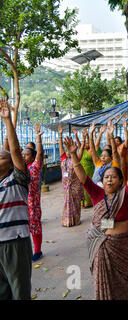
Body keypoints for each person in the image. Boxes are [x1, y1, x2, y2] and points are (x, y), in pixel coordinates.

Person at [64, 136, 128, 300]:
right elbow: (82, 176)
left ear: (120, 181)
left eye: (113, 176)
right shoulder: (96, 193)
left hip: (120, 246)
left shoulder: (125, 195)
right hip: (99, 244)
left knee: (122, 282)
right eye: (106, 177)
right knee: (101, 281)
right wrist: (73, 155)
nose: (109, 179)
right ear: (102, 180)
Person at [0, 98, 32, 300]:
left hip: (15, 242)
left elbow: (13, 150)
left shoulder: (18, 180)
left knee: (19, 292)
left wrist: (7, 121)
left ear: (10, 164)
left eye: (1, 156)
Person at [22, 122, 45, 261]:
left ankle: (38, 251)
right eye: (22, 154)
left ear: (32, 156)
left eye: (27, 154)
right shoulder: (20, 169)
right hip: (22, 202)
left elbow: (40, 153)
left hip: (33, 203)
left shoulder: (35, 167)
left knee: (35, 227)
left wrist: (38, 138)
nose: (24, 156)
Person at [58, 124, 85, 227]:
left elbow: (81, 148)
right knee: (67, 203)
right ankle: (67, 220)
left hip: (75, 185)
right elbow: (61, 147)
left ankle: (76, 219)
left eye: (71, 149)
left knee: (76, 203)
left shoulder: (76, 158)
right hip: (66, 185)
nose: (68, 151)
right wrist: (60, 135)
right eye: (67, 149)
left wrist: (82, 137)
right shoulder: (63, 159)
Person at [88, 121, 120, 187]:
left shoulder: (114, 164)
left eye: (105, 156)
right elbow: (93, 150)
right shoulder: (98, 163)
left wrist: (111, 135)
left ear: (111, 157)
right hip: (97, 191)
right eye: (101, 156)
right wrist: (90, 134)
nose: (102, 158)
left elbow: (114, 151)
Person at [78, 129, 96, 207]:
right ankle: (82, 202)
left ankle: (89, 202)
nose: (86, 144)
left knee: (89, 185)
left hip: (90, 171)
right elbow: (79, 143)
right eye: (85, 143)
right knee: (82, 186)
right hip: (82, 170)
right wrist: (82, 137)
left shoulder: (91, 151)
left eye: (88, 143)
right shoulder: (82, 150)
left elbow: (91, 143)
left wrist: (88, 136)